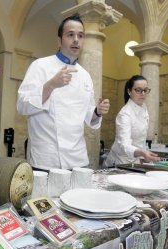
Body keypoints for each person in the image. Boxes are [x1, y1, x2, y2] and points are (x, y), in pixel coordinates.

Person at [17, 13, 110, 170]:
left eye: (80, 36)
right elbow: (22, 106)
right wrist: (51, 84)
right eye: (70, 34)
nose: (76, 40)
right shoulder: (40, 66)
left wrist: (98, 112)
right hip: (46, 159)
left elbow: (89, 117)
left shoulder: (85, 76)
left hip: (78, 160)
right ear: (59, 40)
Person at [104, 75, 160, 167]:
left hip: (136, 160)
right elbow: (124, 145)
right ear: (129, 91)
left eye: (145, 90)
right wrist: (142, 153)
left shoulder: (144, 107)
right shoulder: (125, 114)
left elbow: (140, 141)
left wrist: (144, 153)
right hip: (120, 162)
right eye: (138, 90)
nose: (143, 93)